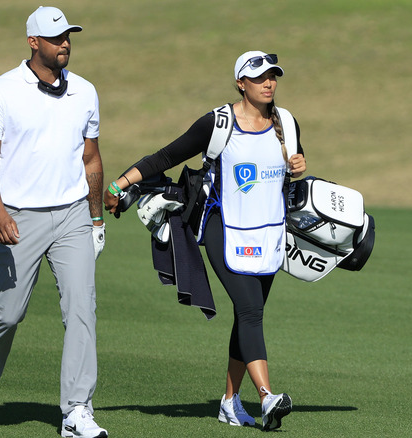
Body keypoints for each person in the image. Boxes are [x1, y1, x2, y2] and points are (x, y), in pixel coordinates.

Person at [104, 51, 306, 431]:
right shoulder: (218, 122)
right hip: (222, 227)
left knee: (250, 314)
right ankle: (267, 397)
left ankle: (230, 402)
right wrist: (120, 183)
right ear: (240, 83)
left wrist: (299, 165)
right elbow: (166, 155)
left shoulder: (288, 122)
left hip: (268, 230)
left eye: (273, 76)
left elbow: (292, 164)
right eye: (260, 76)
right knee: (250, 310)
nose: (269, 82)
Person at [0, 6, 108, 438]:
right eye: (56, 37)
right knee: (8, 313)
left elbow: (91, 158)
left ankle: (76, 411)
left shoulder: (84, 91)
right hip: (18, 218)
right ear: (33, 42)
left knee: (82, 310)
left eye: (69, 36)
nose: (65, 43)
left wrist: (96, 218)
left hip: (72, 216)